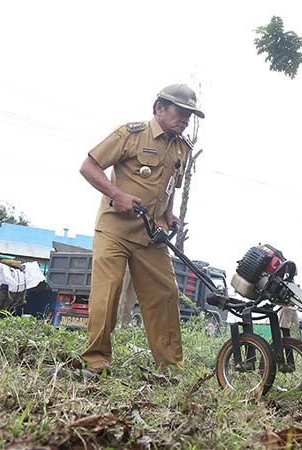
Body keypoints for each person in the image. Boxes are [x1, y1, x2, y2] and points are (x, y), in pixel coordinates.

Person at [77, 84, 203, 372]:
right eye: (180, 112)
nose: (185, 119)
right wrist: (117, 194)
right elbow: (88, 166)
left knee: (166, 295)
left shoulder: (182, 147)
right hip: (115, 231)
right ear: (160, 108)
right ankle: (96, 360)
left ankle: (170, 367)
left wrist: (170, 214)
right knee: (108, 293)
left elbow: (170, 187)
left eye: (189, 115)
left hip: (152, 235)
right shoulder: (130, 134)